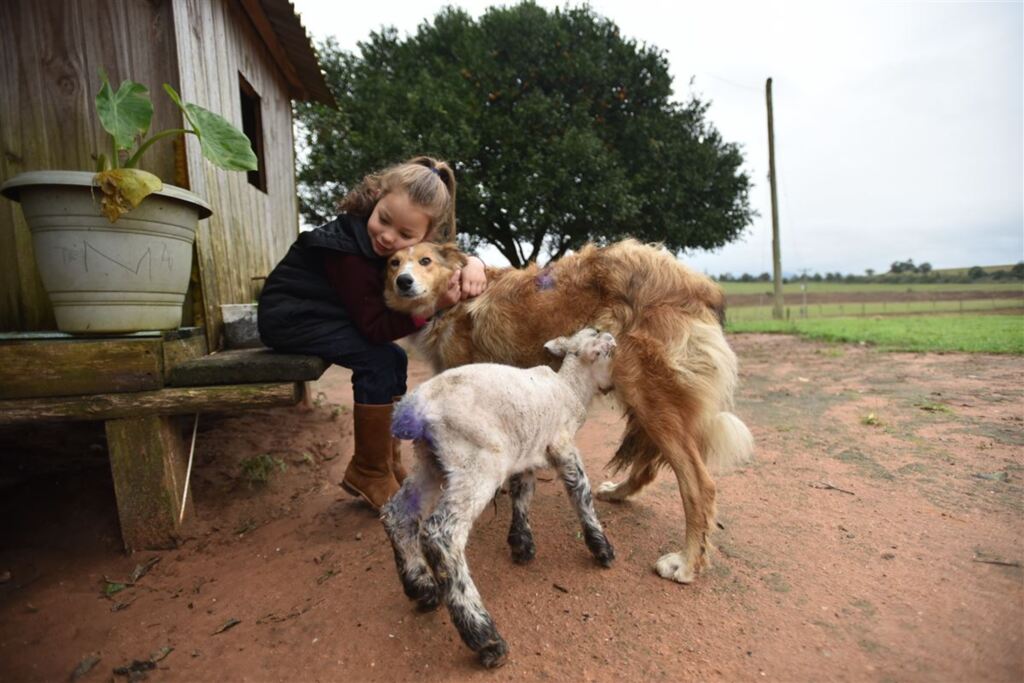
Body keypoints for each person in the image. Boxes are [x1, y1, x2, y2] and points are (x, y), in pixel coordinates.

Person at [258, 156, 487, 510]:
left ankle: (386, 461)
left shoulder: (381, 247)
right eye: (383, 219)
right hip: (291, 318)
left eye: (405, 235)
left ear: (423, 237)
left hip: (323, 314)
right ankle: (368, 470)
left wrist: (475, 262)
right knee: (379, 359)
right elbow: (375, 329)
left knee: (393, 358)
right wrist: (434, 306)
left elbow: (445, 255)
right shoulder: (347, 253)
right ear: (376, 196)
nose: (387, 236)